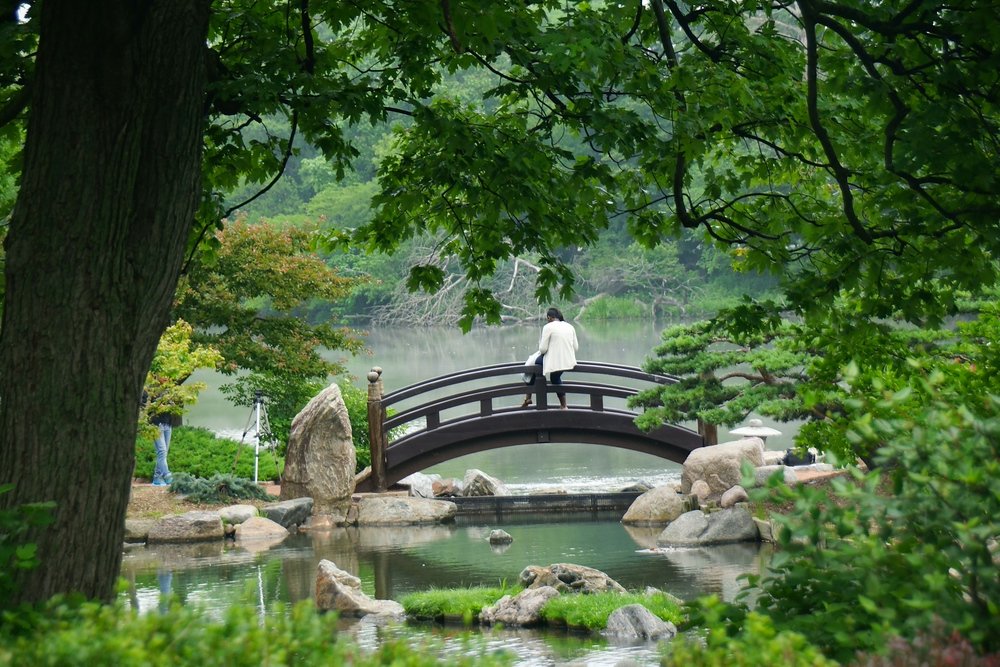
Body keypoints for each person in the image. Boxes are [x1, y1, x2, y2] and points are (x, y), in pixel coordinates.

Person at [521, 307, 579, 409]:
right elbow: (576, 348)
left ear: (549, 318)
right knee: (555, 378)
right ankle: (564, 406)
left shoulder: (548, 327)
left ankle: (528, 397)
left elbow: (543, 349)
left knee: (533, 365)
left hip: (554, 361)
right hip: (568, 361)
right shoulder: (570, 326)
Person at [150, 406, 174, 487]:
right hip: (156, 425)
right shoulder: (150, 393)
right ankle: (168, 476)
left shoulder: (169, 393)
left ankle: (156, 478)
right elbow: (144, 405)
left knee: (164, 453)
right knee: (162, 451)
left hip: (168, 424)